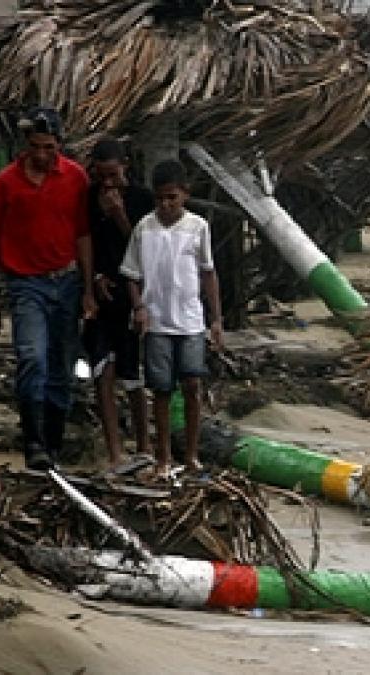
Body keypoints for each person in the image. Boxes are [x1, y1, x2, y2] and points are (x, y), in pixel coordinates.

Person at [0, 107, 96, 471]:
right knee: (32, 356)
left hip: (66, 280)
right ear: (25, 146)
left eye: (48, 147)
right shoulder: (6, 183)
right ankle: (34, 441)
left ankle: (54, 442)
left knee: (61, 363)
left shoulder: (75, 178)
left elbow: (83, 235)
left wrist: (88, 289)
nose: (42, 155)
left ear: (59, 145)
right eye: (35, 148)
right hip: (25, 282)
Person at [119, 160, 222, 479]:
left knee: (192, 383)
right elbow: (131, 275)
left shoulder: (197, 227)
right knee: (161, 390)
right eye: (161, 198)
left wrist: (216, 319)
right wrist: (138, 307)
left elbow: (208, 273)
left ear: (185, 196)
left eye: (172, 198)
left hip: (191, 320)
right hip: (157, 322)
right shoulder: (144, 228)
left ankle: (191, 455)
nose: (166, 205)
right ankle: (163, 456)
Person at [84, 138, 153, 469]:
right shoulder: (87, 198)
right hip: (100, 296)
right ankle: (114, 452)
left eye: (112, 175)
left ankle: (143, 446)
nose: (107, 183)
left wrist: (119, 215)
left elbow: (145, 249)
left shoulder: (142, 199)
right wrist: (94, 279)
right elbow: (84, 243)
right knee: (103, 373)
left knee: (133, 374)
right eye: (101, 176)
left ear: (124, 165)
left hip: (132, 296)